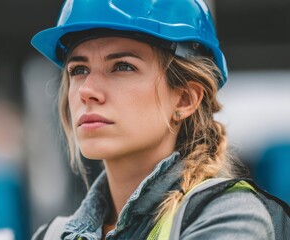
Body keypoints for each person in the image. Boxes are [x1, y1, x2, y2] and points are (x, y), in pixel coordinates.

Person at [30, 0, 290, 239]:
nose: (87, 90)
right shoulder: (51, 234)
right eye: (79, 69)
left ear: (185, 99)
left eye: (122, 66)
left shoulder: (228, 215)